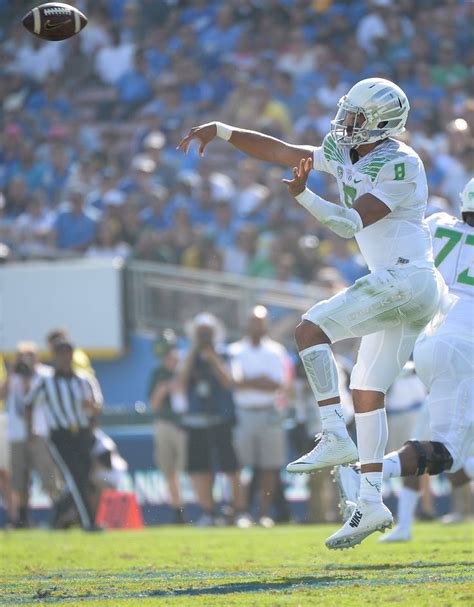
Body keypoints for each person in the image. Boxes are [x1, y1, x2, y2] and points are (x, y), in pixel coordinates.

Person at [178, 77, 450, 549]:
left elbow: (348, 224)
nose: (345, 122)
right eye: (348, 112)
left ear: (381, 123)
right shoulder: (348, 151)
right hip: (405, 287)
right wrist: (222, 130)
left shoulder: (402, 162)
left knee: (310, 329)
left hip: (407, 279)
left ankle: (331, 432)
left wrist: (303, 195)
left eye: (356, 116)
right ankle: (369, 503)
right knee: (366, 392)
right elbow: (283, 150)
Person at [334, 177, 474, 541]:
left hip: (429, 346)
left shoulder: (437, 224)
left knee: (445, 445)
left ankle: (392, 507)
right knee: (448, 454)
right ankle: (368, 475)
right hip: (464, 350)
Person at [25, 337, 103, 531]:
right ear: (55, 356)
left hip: (83, 433)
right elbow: (29, 404)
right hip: (61, 435)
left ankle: (59, 514)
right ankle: (89, 523)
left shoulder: (85, 379)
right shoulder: (46, 381)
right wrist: (30, 430)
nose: (65, 357)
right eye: (61, 353)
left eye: (68, 353)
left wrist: (91, 407)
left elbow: (97, 406)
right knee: (76, 475)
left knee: (84, 476)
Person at [228, 305, 289, 528]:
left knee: (270, 466)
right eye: (254, 321)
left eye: (261, 322)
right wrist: (259, 380)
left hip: (269, 412)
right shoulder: (235, 350)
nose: (258, 326)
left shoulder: (275, 351)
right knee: (241, 466)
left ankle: (263, 513)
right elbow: (236, 382)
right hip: (244, 413)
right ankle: (241, 511)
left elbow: (276, 384)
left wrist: (250, 382)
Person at [177, 313, 240, 526]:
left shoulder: (224, 353)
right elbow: (181, 383)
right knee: (200, 468)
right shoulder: (188, 356)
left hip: (221, 418)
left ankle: (236, 511)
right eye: (200, 333)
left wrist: (212, 358)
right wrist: (194, 354)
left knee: (230, 467)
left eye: (207, 333)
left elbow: (228, 382)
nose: (204, 337)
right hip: (196, 419)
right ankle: (208, 511)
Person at [1, 342, 62, 528]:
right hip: (17, 434)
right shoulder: (14, 376)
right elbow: (2, 396)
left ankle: (59, 515)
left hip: (40, 433)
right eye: (22, 356)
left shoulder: (46, 374)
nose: (26, 360)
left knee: (48, 476)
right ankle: (22, 519)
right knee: (19, 479)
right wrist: (13, 373)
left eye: (30, 355)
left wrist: (30, 378)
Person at [148, 329, 187, 524]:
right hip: (166, 424)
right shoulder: (158, 373)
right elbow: (153, 405)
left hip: (187, 425)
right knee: (169, 470)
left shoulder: (186, 367)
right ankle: (178, 511)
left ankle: (204, 509)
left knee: (192, 469)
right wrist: (163, 389)